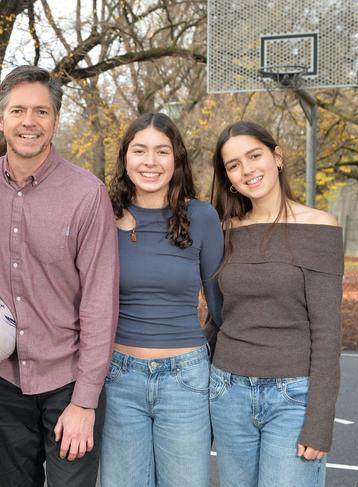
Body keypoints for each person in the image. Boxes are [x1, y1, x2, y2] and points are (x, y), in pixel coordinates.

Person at [0, 65, 119, 486]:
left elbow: (99, 303)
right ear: (1, 119)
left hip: (69, 381)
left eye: (41, 111)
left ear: (55, 121)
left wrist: (85, 402)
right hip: (6, 380)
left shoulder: (87, 194)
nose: (29, 122)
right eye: (18, 111)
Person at [209, 121, 343, 487]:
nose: (247, 170)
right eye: (233, 164)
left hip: (293, 399)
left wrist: (319, 422)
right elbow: (218, 319)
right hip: (227, 392)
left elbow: (329, 334)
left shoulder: (320, 227)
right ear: (228, 177)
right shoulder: (223, 232)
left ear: (277, 156)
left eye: (254, 156)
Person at [100, 113, 223, 487]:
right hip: (118, 377)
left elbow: (220, 307)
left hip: (185, 379)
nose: (150, 162)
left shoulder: (202, 217)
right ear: (125, 158)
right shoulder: (102, 214)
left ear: (177, 160)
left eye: (162, 151)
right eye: (139, 150)